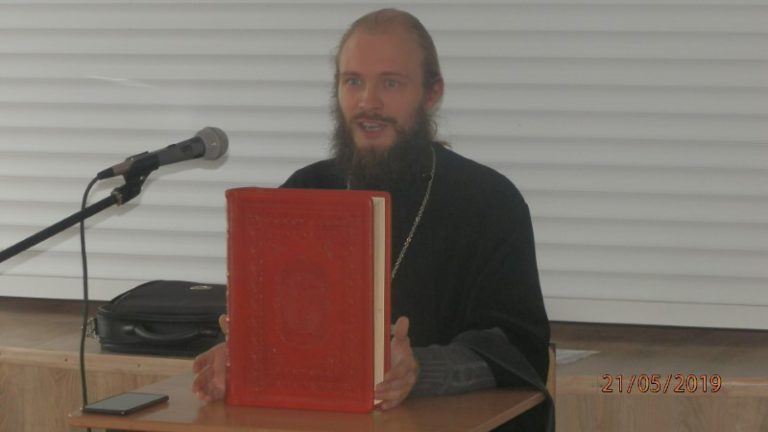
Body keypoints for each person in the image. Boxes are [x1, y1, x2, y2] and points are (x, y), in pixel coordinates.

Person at [193, 8, 551, 431]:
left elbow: (517, 349)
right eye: (353, 82)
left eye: (391, 83)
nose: (368, 102)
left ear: (432, 93)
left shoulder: (489, 201)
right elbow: (268, 327)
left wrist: (420, 371)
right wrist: (237, 357)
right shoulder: (303, 193)